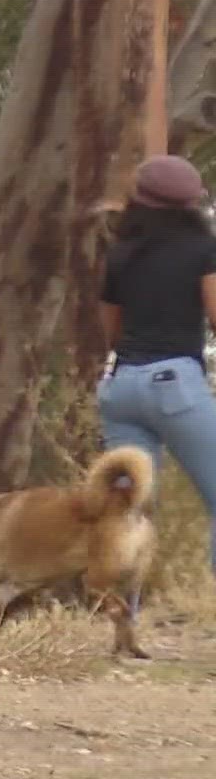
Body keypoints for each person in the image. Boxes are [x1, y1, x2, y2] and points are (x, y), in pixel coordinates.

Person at [96, 154, 216, 576]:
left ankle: (119, 617)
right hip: (176, 385)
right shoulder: (204, 249)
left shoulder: (120, 254)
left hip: (121, 386)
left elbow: (111, 331)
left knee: (127, 512)